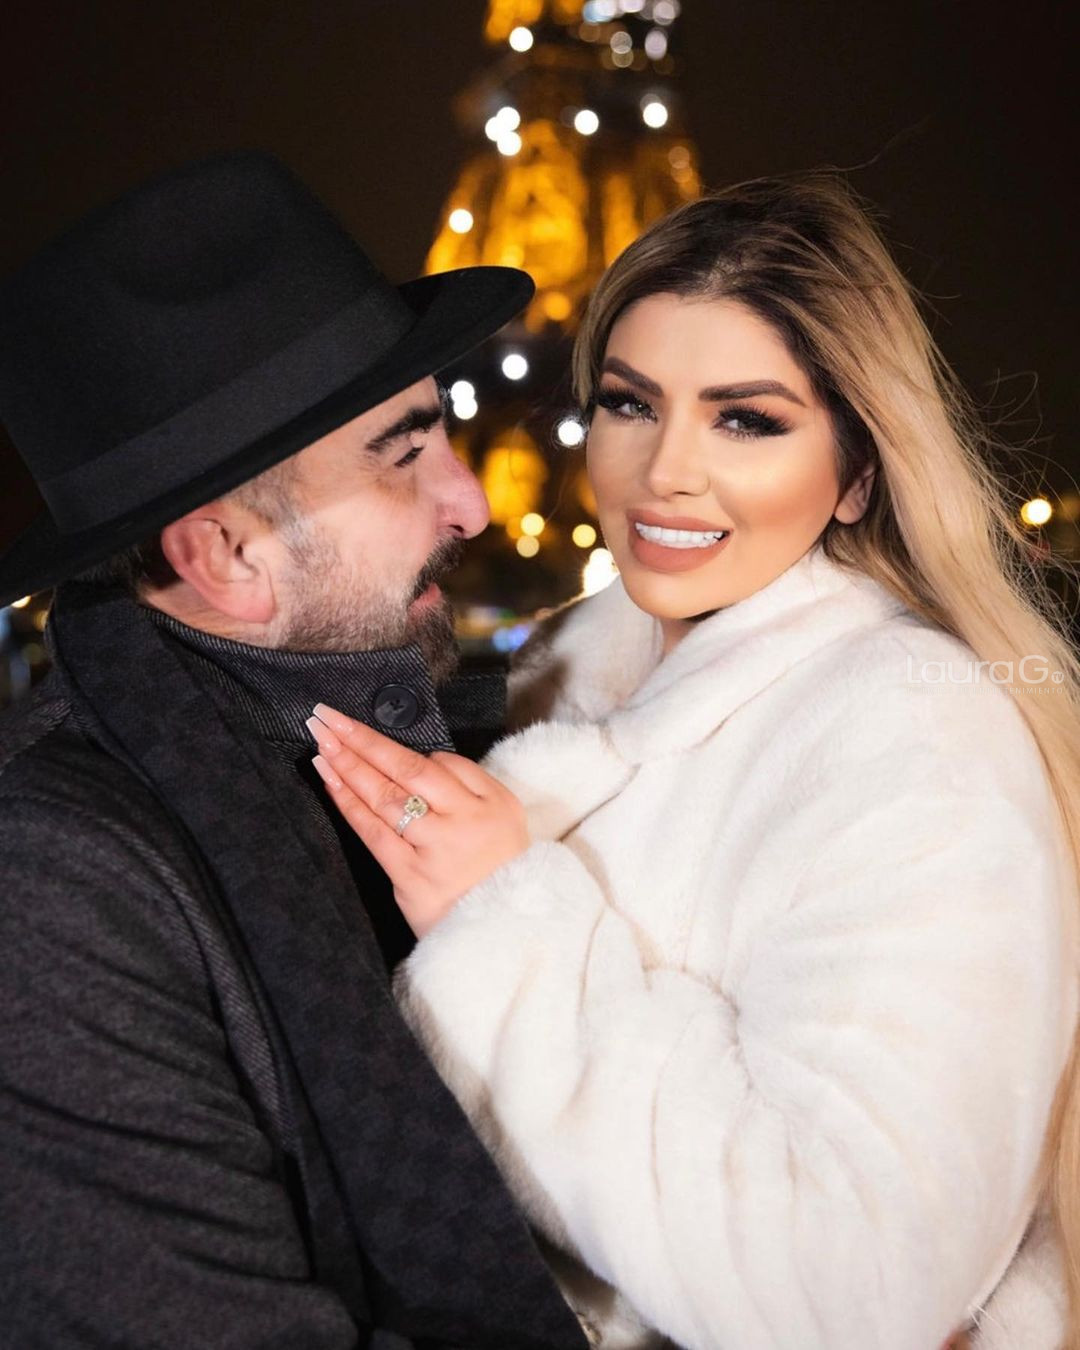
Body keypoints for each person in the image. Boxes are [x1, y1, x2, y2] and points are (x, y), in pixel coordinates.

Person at [305, 175, 1080, 1350]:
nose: (664, 470)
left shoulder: (918, 738)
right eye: (630, 403)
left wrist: (503, 921)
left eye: (746, 420)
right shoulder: (557, 675)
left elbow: (855, 1293)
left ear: (858, 473)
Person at [0, 150, 590, 1349]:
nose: (471, 503)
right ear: (225, 555)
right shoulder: (50, 895)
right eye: (404, 453)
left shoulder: (494, 736)